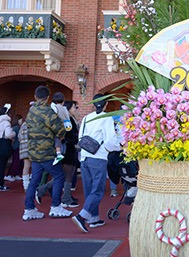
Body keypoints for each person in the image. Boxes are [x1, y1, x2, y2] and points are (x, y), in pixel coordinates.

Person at [23, 85, 73, 221]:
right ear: (47, 98)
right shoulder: (48, 112)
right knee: (59, 177)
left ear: (35, 96)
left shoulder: (31, 111)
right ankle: (56, 206)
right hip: (47, 152)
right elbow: (60, 129)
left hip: (33, 152)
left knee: (34, 181)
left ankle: (29, 209)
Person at [72, 94, 120, 233]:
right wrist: (119, 146)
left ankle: (94, 218)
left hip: (85, 157)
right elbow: (110, 141)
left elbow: (81, 137)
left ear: (94, 104)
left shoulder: (87, 118)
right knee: (97, 190)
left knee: (89, 189)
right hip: (98, 157)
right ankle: (82, 217)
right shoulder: (106, 118)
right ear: (105, 105)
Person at [60, 100, 80, 208]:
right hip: (68, 150)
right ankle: (66, 198)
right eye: (74, 107)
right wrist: (76, 139)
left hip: (70, 149)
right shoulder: (68, 120)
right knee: (67, 175)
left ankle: (45, 188)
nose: (76, 110)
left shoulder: (72, 119)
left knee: (67, 174)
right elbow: (69, 135)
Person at [50, 92, 72, 164]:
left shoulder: (54, 108)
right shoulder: (65, 109)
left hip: (58, 128)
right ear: (63, 101)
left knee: (56, 140)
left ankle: (58, 154)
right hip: (66, 127)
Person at [0, 106, 15, 191]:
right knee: (2, 166)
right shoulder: (6, 122)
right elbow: (9, 134)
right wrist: (14, 134)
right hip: (3, 146)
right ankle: (1, 185)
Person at [4, 114, 23, 182]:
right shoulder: (16, 128)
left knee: (18, 161)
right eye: (21, 120)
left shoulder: (16, 127)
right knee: (16, 161)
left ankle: (15, 174)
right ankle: (9, 174)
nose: (21, 121)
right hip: (16, 146)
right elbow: (13, 137)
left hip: (17, 146)